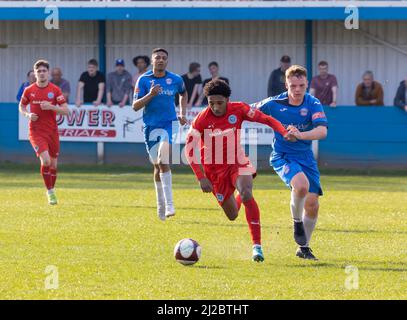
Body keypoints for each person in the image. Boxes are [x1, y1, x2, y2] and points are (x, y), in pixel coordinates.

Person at [185, 79, 290, 262]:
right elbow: (189, 149)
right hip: (214, 172)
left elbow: (266, 119)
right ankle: (240, 195)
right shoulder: (201, 119)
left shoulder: (239, 109)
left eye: (219, 103)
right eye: (211, 103)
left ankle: (257, 247)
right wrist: (201, 177)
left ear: (227, 99)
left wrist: (283, 131)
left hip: (237, 162)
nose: (216, 107)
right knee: (233, 215)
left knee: (247, 192)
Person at [252, 65, 328, 260]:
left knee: (312, 205)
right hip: (282, 156)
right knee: (301, 186)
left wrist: (299, 135)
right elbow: (249, 111)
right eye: (293, 85)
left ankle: (303, 248)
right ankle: (296, 222)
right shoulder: (273, 103)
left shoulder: (313, 103)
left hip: (306, 158)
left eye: (301, 85)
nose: (297, 90)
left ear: (307, 84)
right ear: (286, 84)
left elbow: (322, 131)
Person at [133, 48, 188, 221]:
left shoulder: (175, 79)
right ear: (152, 61)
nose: (161, 60)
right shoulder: (143, 80)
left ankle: (170, 205)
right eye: (158, 58)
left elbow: (183, 93)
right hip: (150, 127)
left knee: (163, 159)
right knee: (157, 166)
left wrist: (183, 112)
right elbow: (135, 106)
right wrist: (151, 94)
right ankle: (161, 205)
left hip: (169, 125)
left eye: (164, 58)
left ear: (167, 61)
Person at [18, 60, 69, 205]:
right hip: (36, 131)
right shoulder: (29, 90)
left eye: (44, 71)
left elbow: (66, 110)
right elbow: (21, 106)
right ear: (35, 74)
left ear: (48, 72)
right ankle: (50, 192)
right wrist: (27, 115)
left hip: (52, 132)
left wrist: (52, 107)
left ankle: (52, 188)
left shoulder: (55, 90)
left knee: (53, 165)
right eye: (38, 71)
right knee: (45, 161)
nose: (41, 73)